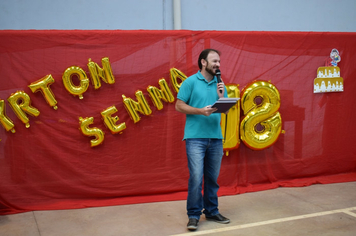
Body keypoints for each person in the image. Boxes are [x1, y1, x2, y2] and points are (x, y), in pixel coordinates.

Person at [175, 48, 230, 231]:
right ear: (203, 62)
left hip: (215, 138)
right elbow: (179, 105)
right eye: (214, 61)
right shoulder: (190, 82)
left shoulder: (220, 84)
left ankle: (212, 211)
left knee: (212, 178)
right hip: (195, 138)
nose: (218, 65)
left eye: (219, 62)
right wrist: (200, 111)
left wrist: (222, 97)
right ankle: (193, 215)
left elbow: (226, 109)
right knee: (197, 178)